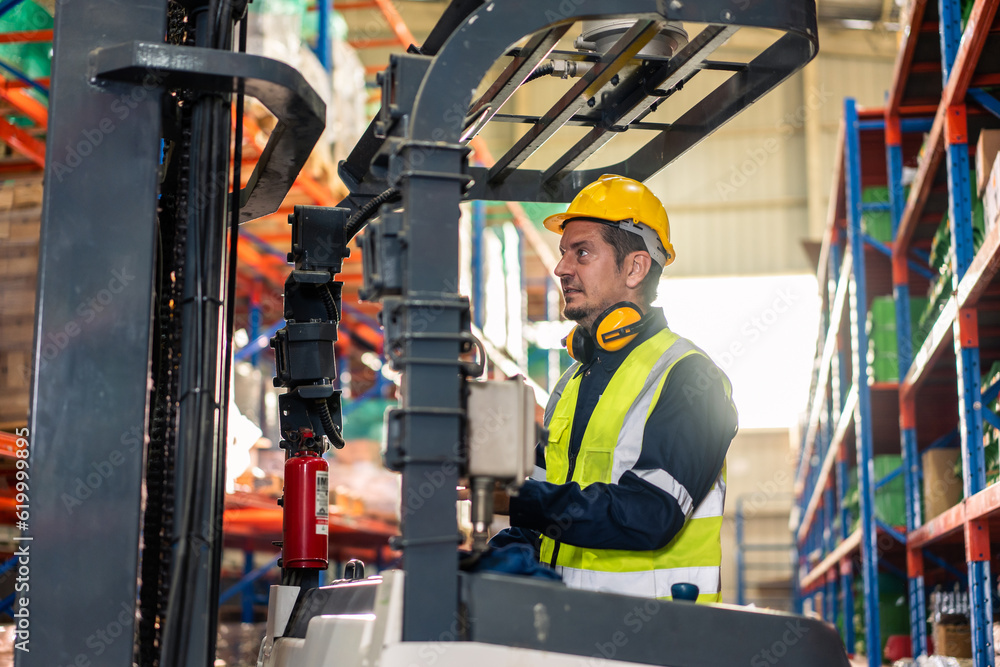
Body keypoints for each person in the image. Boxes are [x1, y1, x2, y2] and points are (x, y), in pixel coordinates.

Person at [491, 174, 738, 603]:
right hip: (570, 634)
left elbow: (649, 514)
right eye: (563, 253)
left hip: (660, 642)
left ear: (635, 268)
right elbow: (542, 520)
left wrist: (514, 499)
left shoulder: (690, 379)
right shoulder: (571, 382)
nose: (561, 268)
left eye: (581, 252)